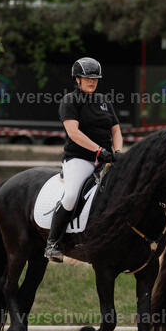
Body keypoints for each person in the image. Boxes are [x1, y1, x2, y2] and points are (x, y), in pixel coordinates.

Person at [45, 57, 123, 262]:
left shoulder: (104, 101)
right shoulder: (70, 101)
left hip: (105, 158)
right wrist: (99, 150)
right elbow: (73, 132)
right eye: (88, 78)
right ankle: (53, 242)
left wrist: (119, 151)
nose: (92, 81)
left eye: (95, 78)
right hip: (79, 159)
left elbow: (116, 130)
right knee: (71, 196)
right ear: (77, 79)